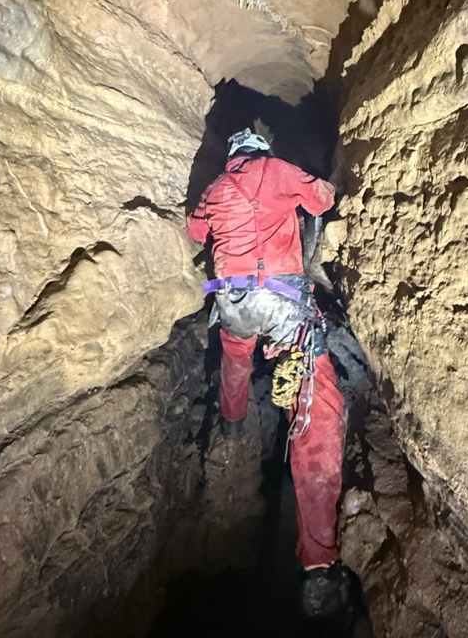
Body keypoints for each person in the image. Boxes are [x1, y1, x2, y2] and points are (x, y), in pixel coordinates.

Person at [187, 128, 349, 618]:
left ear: (234, 156)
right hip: (282, 302)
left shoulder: (215, 188)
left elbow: (196, 233)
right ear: (261, 151)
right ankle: (318, 569)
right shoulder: (276, 170)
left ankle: (233, 421)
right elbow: (322, 200)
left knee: (236, 356)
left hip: (233, 301)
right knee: (317, 409)